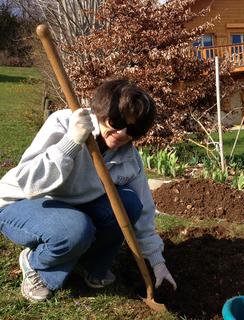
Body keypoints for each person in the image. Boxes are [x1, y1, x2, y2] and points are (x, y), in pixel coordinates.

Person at [0, 78, 177, 302]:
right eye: (117, 120)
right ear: (101, 112)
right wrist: (71, 142)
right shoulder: (65, 122)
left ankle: (91, 265)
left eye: (133, 129)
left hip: (73, 207)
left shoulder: (128, 159)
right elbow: (30, 182)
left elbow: (143, 212)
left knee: (129, 204)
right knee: (74, 228)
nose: (122, 132)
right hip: (21, 203)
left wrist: (157, 263)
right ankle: (37, 265)